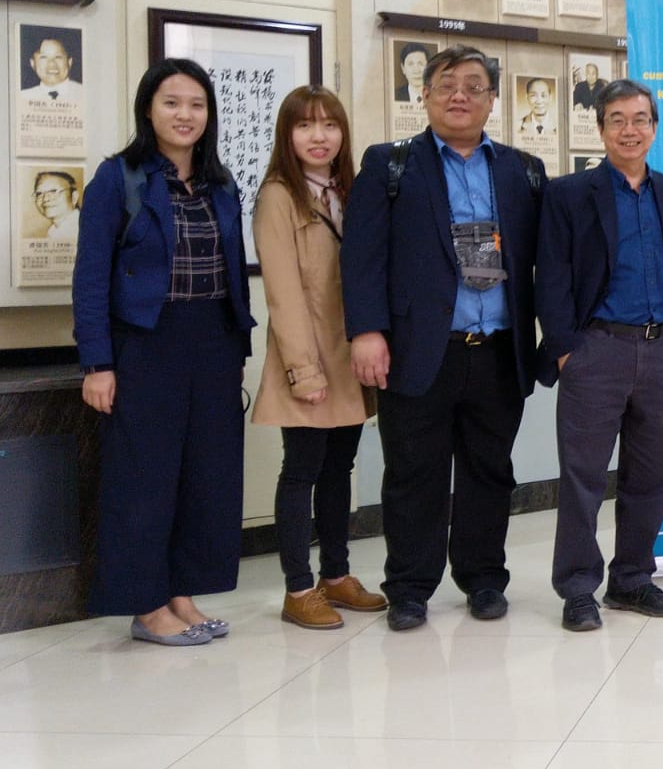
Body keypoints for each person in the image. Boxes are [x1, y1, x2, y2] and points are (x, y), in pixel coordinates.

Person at [342, 45, 545, 630]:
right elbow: (362, 257)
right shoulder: (390, 165)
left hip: (497, 350)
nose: (460, 95)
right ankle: (409, 587)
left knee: (490, 471)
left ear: (492, 99)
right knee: (413, 474)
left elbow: (548, 261)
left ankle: (484, 580)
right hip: (418, 350)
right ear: (424, 94)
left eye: (475, 85)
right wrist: (366, 332)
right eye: (447, 84)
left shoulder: (522, 171)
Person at [71, 59, 254, 646]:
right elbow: (91, 276)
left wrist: (239, 346)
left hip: (213, 342)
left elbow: (233, 271)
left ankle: (182, 593)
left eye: (196, 104)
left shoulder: (220, 183)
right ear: (148, 109)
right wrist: (97, 364)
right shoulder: (117, 178)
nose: (185, 115)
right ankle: (147, 605)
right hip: (145, 342)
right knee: (144, 478)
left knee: (206, 475)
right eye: (172, 102)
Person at [536, 79, 663, 632]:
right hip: (596, 353)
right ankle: (577, 588)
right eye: (617, 119)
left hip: (662, 353)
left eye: (639, 119)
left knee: (654, 475)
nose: (629, 130)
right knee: (583, 477)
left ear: (654, 128)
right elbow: (552, 278)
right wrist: (567, 352)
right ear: (601, 127)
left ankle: (631, 579)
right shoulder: (569, 195)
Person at [253, 87, 387, 630]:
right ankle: (298, 588)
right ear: (287, 135)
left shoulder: (350, 191)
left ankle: (336, 574)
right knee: (301, 471)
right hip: (305, 357)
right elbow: (283, 294)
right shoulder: (278, 196)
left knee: (339, 469)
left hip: (349, 354)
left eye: (329, 125)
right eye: (305, 126)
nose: (319, 136)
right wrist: (303, 372)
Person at [19, 34, 82, 101]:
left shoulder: (83, 93)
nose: (52, 64)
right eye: (43, 57)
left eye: (58, 57)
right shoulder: (23, 97)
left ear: (69, 62)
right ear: (32, 63)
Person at [31, 170, 80, 238]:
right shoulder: (53, 231)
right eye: (39, 194)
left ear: (74, 197)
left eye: (53, 191)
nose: (45, 199)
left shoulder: (82, 228)